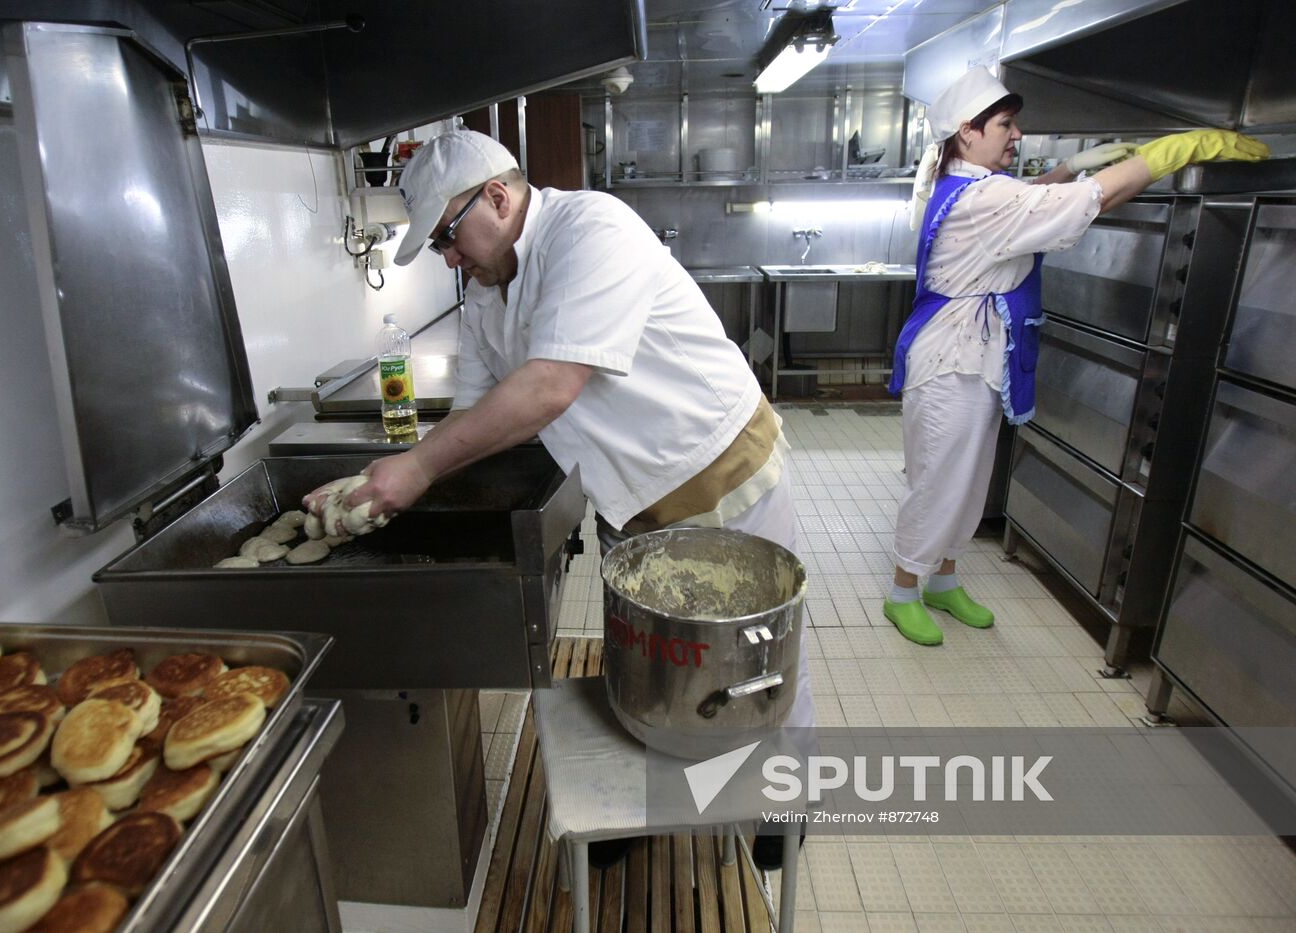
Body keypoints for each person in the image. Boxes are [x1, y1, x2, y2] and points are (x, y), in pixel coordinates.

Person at [304, 130, 811, 866]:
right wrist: (397, 483)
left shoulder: (590, 229)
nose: (449, 257)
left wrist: (414, 471)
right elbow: (480, 416)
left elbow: (548, 385)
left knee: (761, 655)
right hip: (630, 502)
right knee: (646, 660)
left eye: (447, 235)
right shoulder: (484, 295)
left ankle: (784, 799)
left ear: (500, 198)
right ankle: (646, 802)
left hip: (719, 472)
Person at [882, 67, 1268, 646]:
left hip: (976, 356)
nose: (1016, 136)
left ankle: (943, 581)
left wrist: (1070, 168)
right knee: (939, 480)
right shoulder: (981, 198)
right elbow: (1088, 200)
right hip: (951, 362)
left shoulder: (967, 185)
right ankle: (903, 590)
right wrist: (1170, 152)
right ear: (968, 132)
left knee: (969, 477)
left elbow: (1030, 199)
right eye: (1006, 125)